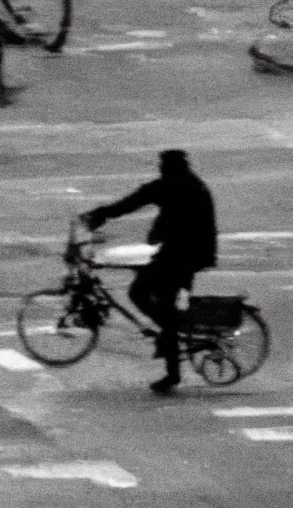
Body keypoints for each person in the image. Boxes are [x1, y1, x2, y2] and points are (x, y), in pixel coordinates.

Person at [80, 149, 218, 394]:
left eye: (163, 166)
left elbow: (137, 201)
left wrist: (101, 214)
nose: (160, 170)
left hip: (185, 254)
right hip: (185, 251)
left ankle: (171, 359)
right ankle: (169, 333)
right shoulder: (188, 184)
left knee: (142, 292)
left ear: (170, 168)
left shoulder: (179, 187)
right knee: (151, 293)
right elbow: (146, 201)